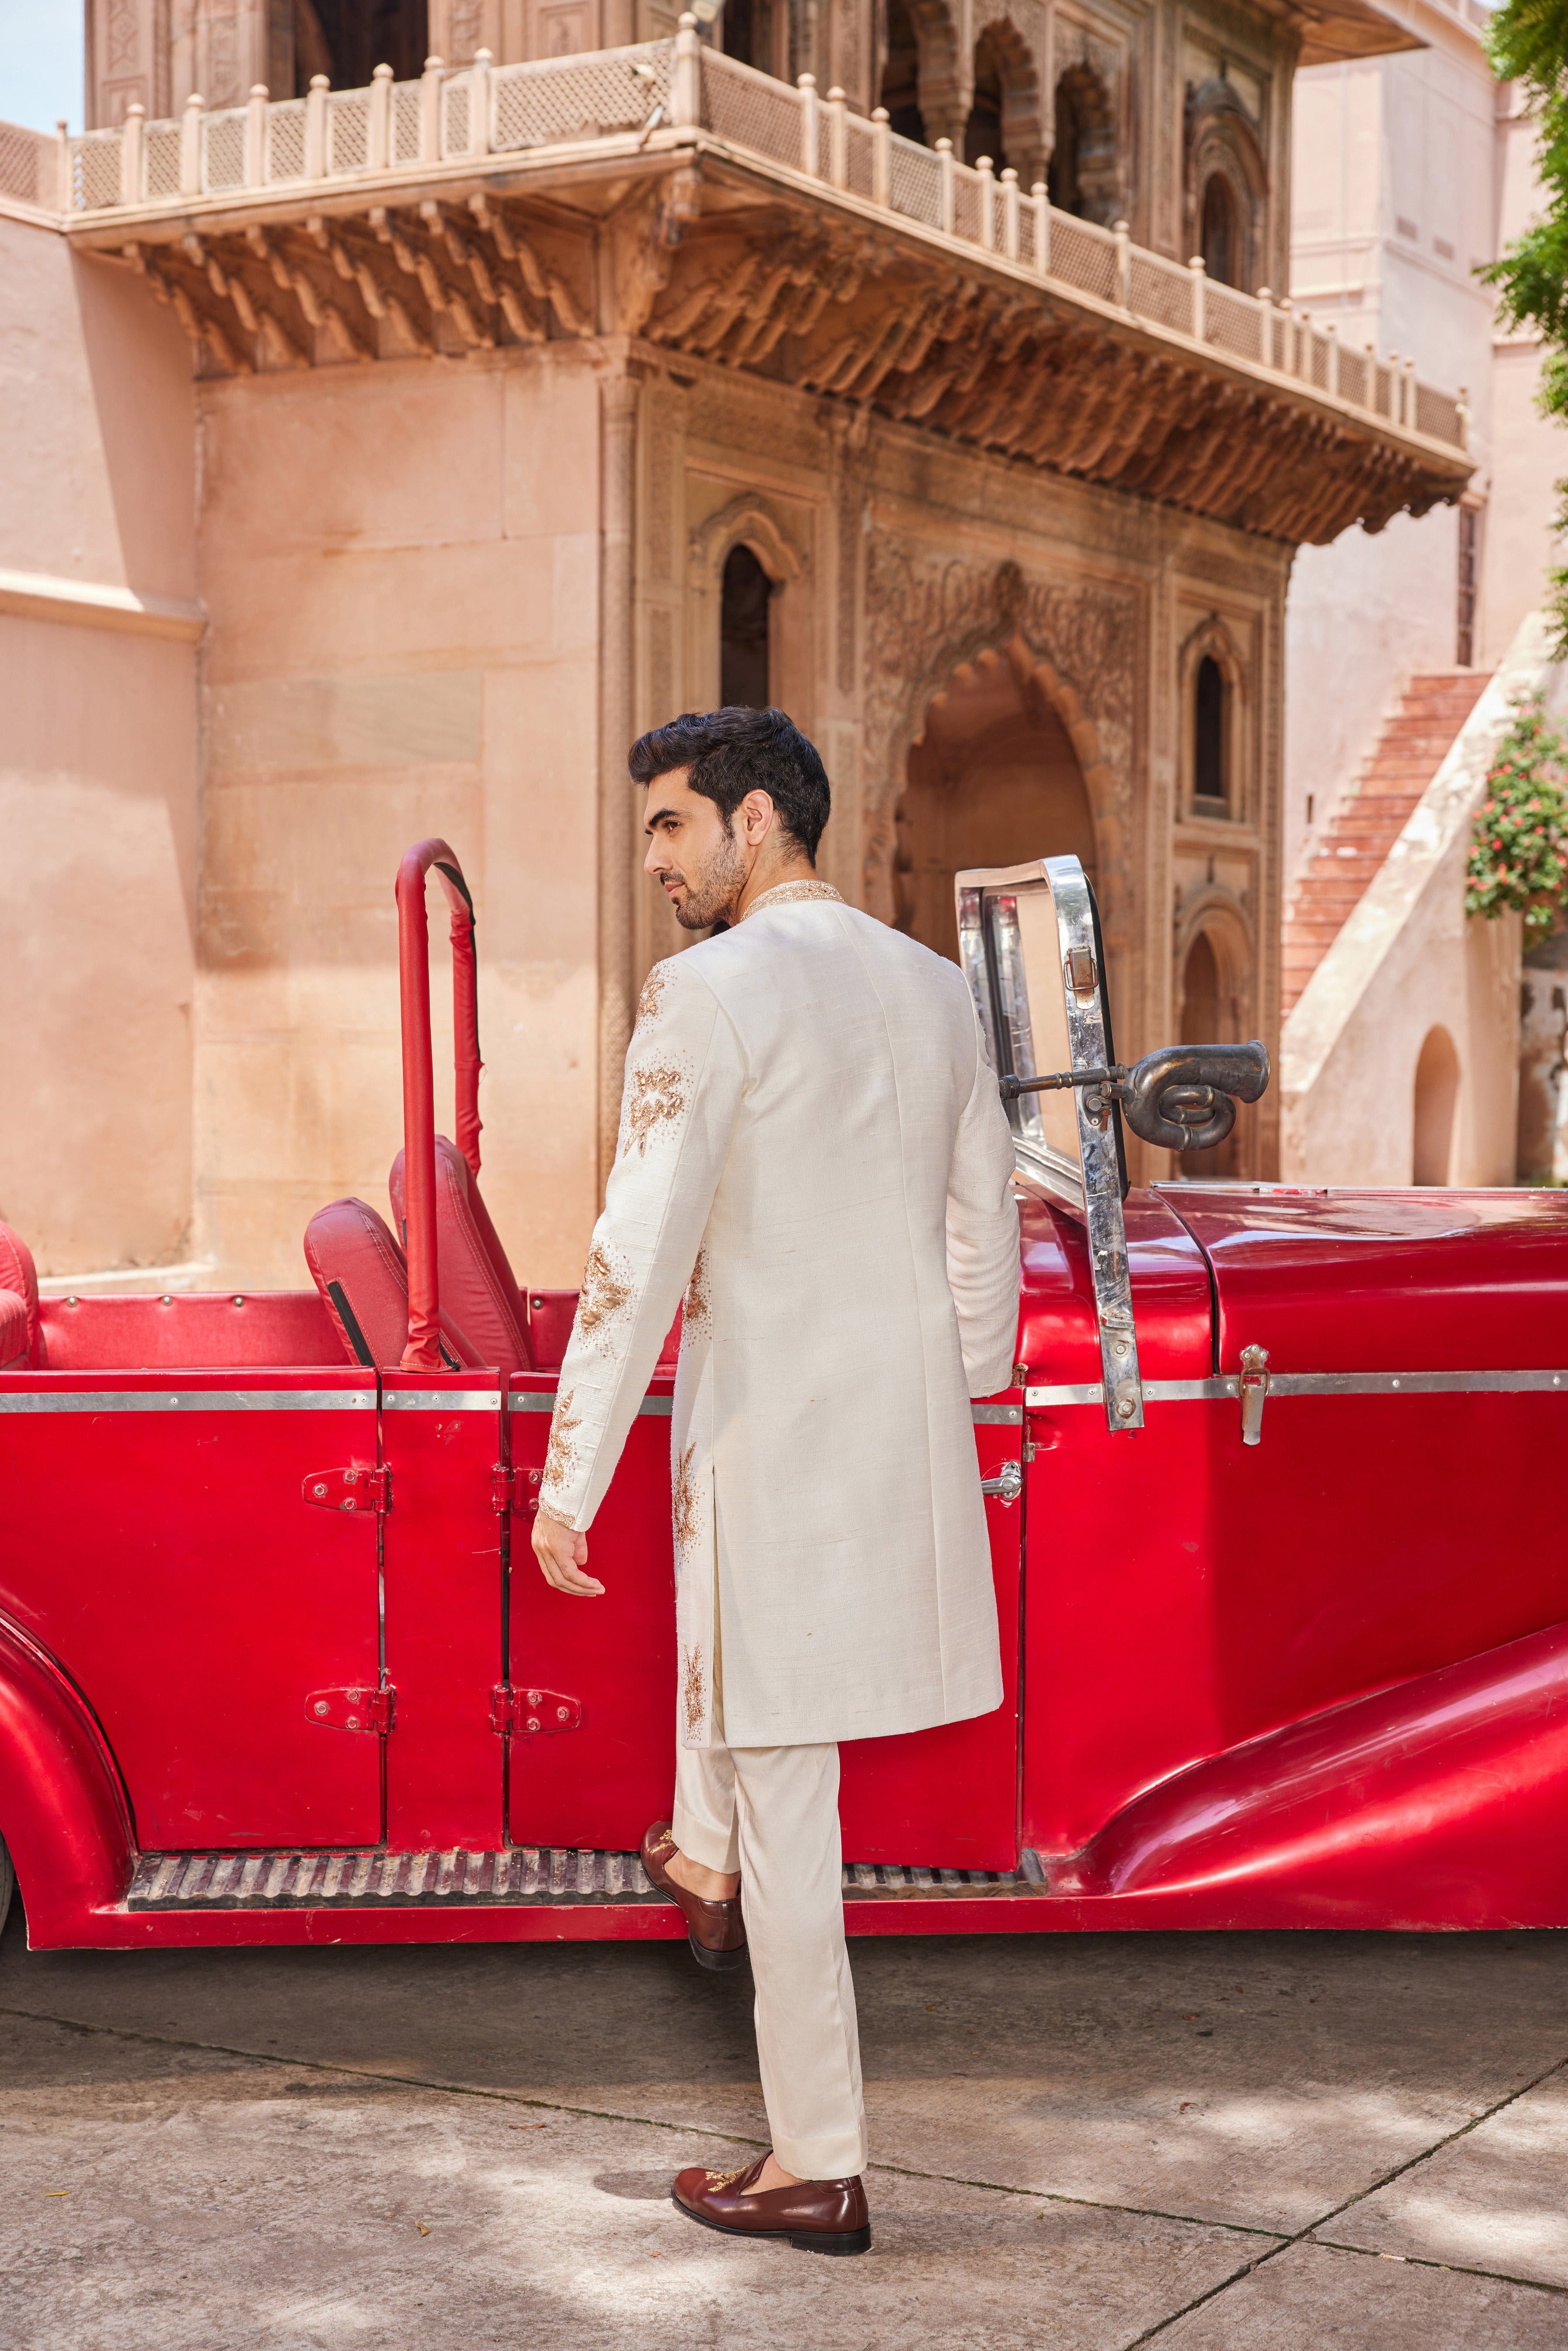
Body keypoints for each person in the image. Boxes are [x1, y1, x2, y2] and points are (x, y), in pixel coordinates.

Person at [530, 705, 1019, 2256]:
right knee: (770, 1774)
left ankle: (815, 2160)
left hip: (760, 1460)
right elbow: (983, 1238)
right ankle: (703, 1839)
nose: (657, 863)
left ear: (751, 822)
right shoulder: (939, 988)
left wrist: (568, 1476)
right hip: (896, 1452)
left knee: (787, 1804)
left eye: (670, 825)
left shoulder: (706, 990)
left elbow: (633, 1255)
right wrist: (969, 1398)